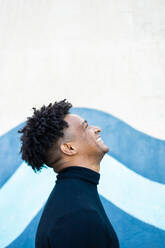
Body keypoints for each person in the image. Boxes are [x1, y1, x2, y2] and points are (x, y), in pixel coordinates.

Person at [18, 99, 120, 248]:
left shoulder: (73, 199)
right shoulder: (78, 215)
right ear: (69, 148)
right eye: (86, 127)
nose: (97, 129)